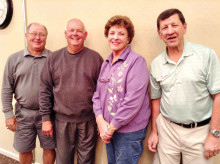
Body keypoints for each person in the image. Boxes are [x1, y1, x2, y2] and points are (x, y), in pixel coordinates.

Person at [148, 8, 220, 164]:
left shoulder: (206, 55)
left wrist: (215, 134)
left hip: (199, 131)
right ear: (160, 34)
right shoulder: (156, 64)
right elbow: (156, 100)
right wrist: (154, 132)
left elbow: (218, 95)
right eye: (164, 28)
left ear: (184, 27)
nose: (170, 31)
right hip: (167, 130)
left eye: (174, 25)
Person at [39, 19, 103, 164]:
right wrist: (46, 119)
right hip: (62, 121)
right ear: (65, 34)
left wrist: (101, 120)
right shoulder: (53, 58)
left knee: (86, 160)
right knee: (63, 160)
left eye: (79, 31)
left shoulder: (95, 58)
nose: (75, 34)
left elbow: (102, 92)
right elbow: (44, 90)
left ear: (85, 35)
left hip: (89, 121)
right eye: (72, 30)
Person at [92, 15, 151, 164]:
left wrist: (110, 128)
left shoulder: (136, 62)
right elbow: (97, 95)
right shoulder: (106, 63)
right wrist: (100, 121)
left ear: (128, 38)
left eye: (121, 34)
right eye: (112, 33)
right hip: (108, 130)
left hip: (127, 133)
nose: (115, 37)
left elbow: (132, 102)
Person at [1, 23, 56, 164]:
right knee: (24, 149)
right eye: (33, 34)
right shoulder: (14, 59)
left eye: (42, 34)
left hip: (48, 116)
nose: (37, 37)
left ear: (46, 37)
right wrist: (8, 114)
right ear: (26, 36)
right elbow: (7, 88)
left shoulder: (54, 58)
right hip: (23, 115)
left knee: (49, 148)